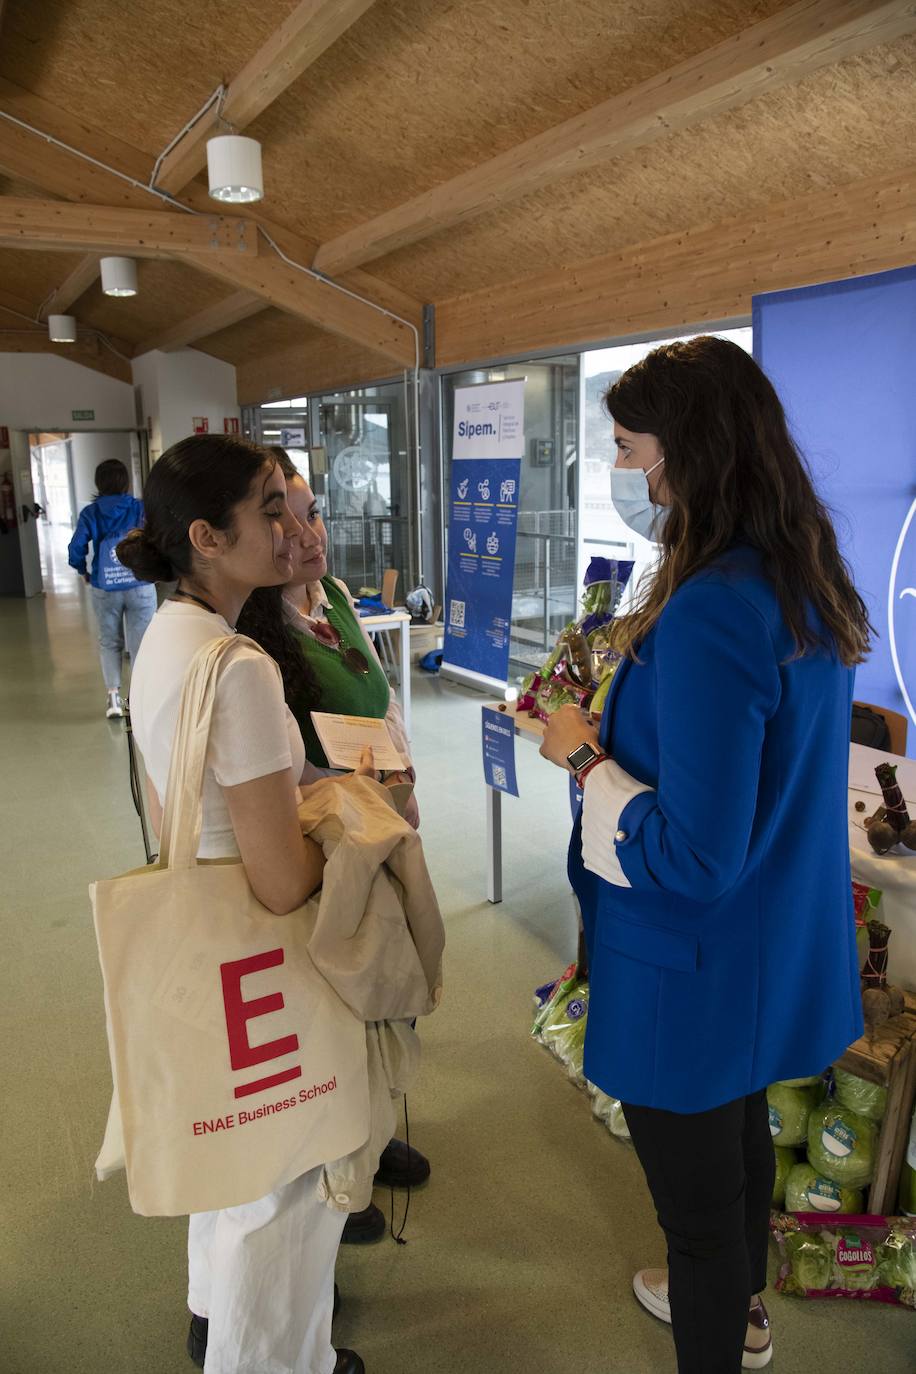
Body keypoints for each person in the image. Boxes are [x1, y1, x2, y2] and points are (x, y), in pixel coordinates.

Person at [539, 336, 870, 1374]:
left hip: (691, 963)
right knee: (736, 1137)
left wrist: (582, 753)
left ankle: (721, 1324)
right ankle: (744, 1308)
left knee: (697, 1215)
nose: (625, 472)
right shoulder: (798, 578)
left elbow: (691, 854)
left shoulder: (715, 609)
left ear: (691, 452)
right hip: (762, 946)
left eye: (629, 449)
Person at [118, 434, 366, 1374]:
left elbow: (177, 801)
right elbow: (281, 880)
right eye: (268, 510)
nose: (290, 526)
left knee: (228, 1146)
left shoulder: (168, 636)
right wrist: (349, 832)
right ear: (206, 538)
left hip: (205, 938)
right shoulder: (242, 664)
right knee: (284, 1177)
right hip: (263, 953)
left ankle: (210, 1311)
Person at [237, 451, 429, 1246]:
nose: (306, 534)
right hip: (325, 843)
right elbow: (281, 770)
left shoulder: (337, 598)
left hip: (380, 823)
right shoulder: (251, 643)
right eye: (281, 518)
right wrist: (353, 789)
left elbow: (381, 703)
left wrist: (400, 776)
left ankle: (374, 1135)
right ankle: (338, 1170)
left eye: (310, 513)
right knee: (335, 1009)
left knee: (389, 986)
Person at [67, 458, 157, 718]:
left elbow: (76, 548)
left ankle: (114, 698)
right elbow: (157, 538)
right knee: (141, 642)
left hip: (105, 585)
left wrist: (83, 571)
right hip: (140, 582)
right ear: (126, 482)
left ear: (99, 483)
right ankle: (139, 697)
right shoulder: (139, 508)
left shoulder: (91, 513)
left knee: (109, 641)